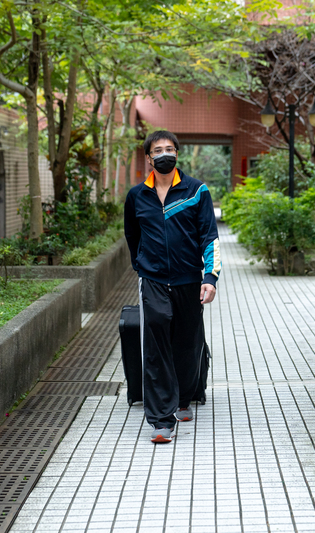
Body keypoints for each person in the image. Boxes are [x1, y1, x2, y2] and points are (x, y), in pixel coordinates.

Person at [124, 130, 221, 443]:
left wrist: (210, 278)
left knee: (186, 342)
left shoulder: (196, 191)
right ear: (148, 158)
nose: (164, 154)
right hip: (152, 279)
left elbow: (209, 237)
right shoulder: (137, 196)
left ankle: (183, 396)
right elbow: (132, 235)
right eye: (158, 150)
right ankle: (161, 419)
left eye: (169, 149)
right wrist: (141, 265)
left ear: (178, 154)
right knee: (156, 341)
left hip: (189, 279)